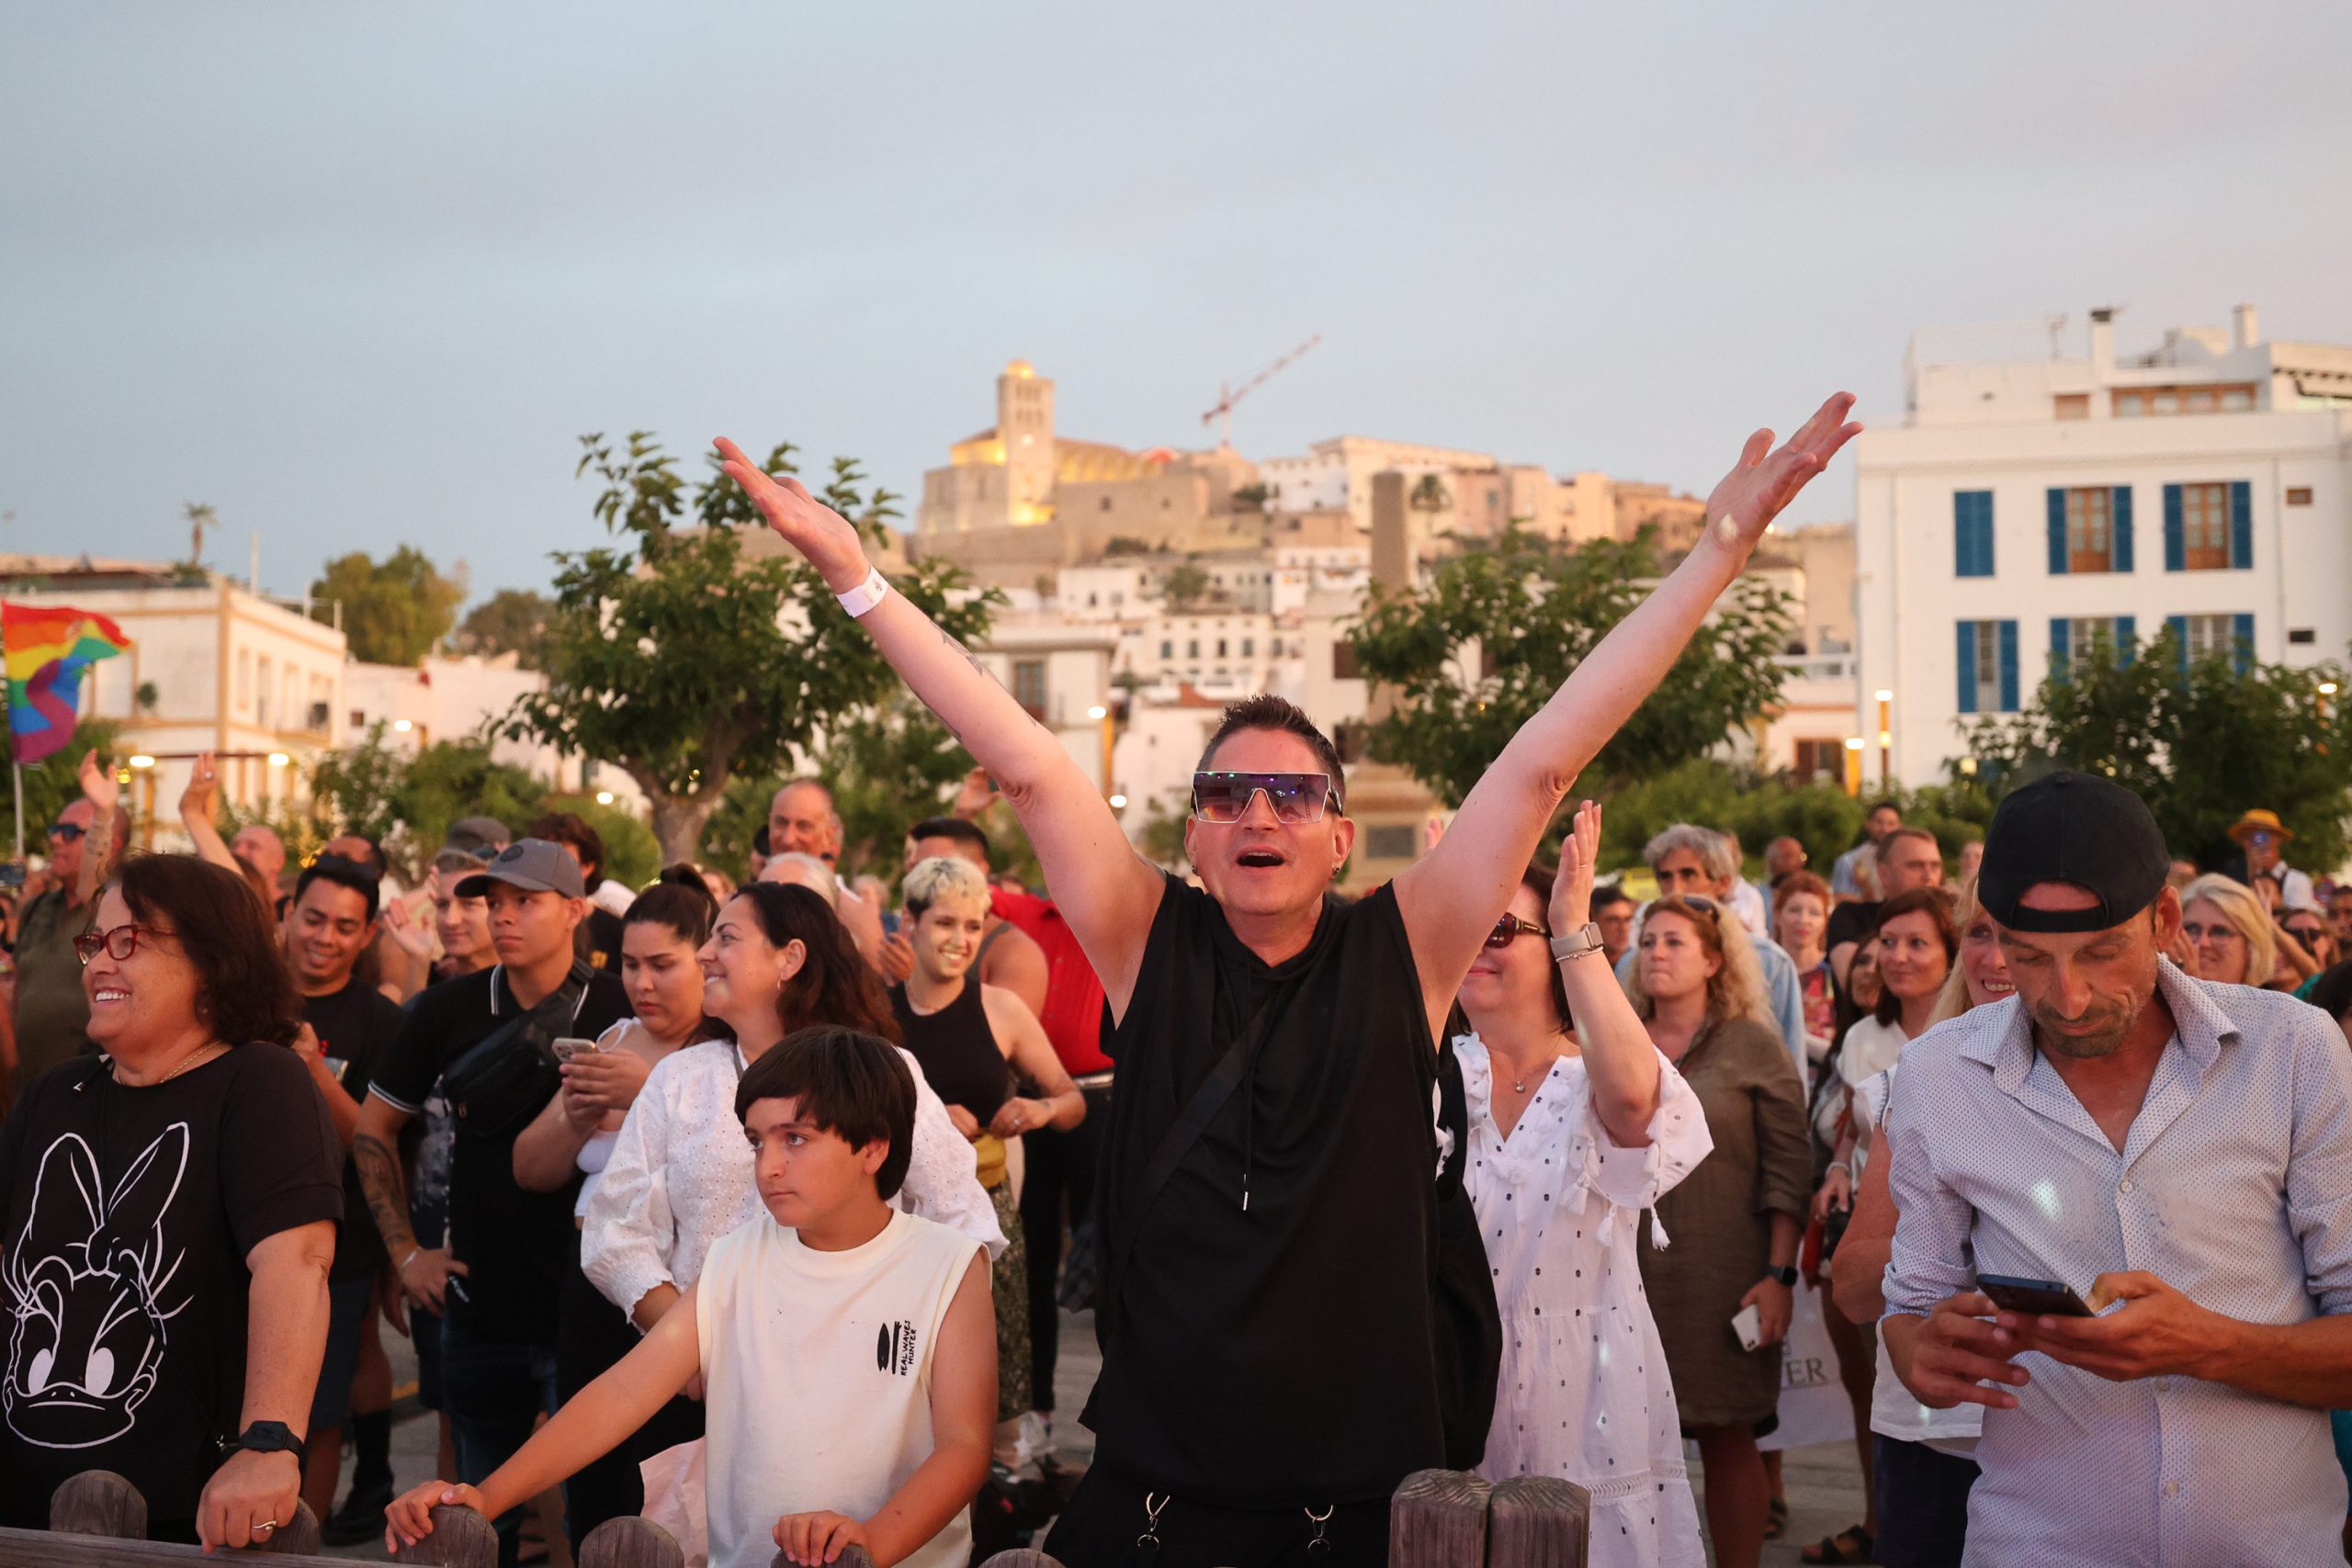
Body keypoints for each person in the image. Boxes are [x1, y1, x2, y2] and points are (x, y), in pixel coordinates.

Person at [714, 389, 1858, 1568]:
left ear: (1339, 838)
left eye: (1293, 795)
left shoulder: (1404, 950)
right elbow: (1029, 767)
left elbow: (1542, 763)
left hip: (1355, 1490)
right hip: (1159, 1484)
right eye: (1226, 794)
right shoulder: (1146, 938)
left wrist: (1716, 557)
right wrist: (855, 577)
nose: (1258, 813)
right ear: (1195, 836)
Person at [1883, 770, 2352, 1567]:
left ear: (2164, 918)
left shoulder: (2293, 1051)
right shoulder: (1938, 1074)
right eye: (2030, 957)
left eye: (2102, 953)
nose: (2069, 998)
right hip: (2035, 1545)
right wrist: (1920, 1353)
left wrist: (2206, 1344)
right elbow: (1911, 1306)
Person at [387, 1027, 994, 1568]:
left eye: (796, 1138)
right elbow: (625, 1391)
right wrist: (485, 1495)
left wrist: (867, 1545)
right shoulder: (737, 1258)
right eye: (757, 1141)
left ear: (873, 1147)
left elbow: (964, 1445)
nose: (769, 1166)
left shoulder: (947, 1265)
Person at [0, 854, 340, 1549]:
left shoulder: (258, 1080)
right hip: (21, 1497)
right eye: (95, 941)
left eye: (129, 940)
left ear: (213, 962)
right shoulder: (55, 1093)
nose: (99, 962)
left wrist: (269, 1442)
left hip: (182, 1514)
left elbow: (296, 1262)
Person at [580, 884, 1004, 1383]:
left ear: (790, 958)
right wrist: (690, 1347)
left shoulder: (880, 1072)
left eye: (726, 937)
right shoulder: (680, 1079)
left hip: (854, 1380)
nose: (704, 954)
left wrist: (900, 1350)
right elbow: (614, 1229)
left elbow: (963, 1222)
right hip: (703, 1386)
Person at [353, 840, 631, 1568]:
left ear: (575, 910)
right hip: (482, 1302)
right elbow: (374, 1127)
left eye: (525, 901)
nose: (502, 916)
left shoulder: (621, 1005)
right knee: (476, 1517)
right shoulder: (447, 1006)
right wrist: (405, 1253)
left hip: (592, 1304)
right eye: (494, 901)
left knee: (593, 1518)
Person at [1453, 801, 1711, 1567]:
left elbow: (1634, 1104)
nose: (1479, 944)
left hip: (1592, 1388)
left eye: (1503, 928)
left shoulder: (1591, 1076)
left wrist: (1573, 924)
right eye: (1469, 927)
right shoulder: (1436, 1078)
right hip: (1454, 1389)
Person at [508, 883, 716, 1549]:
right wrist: (576, 1115)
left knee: (668, 1486)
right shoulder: (615, 1037)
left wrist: (651, 1091)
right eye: (629, 964)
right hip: (592, 1288)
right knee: (593, 1482)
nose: (642, 983)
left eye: (663, 965)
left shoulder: (724, 1049)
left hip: (676, 1288)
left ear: (705, 961)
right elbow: (530, 1168)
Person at [925, 784, 1113, 1450]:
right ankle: (1038, 1410)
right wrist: (966, 812)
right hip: (1023, 1106)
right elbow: (950, 881)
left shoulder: (1125, 917)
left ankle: (1121, 1409)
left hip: (1103, 1099)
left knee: (1114, 1258)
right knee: (1028, 1258)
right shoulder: (1025, 912)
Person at [1625, 893, 1810, 1568]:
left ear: (1713, 960)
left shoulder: (1751, 1045)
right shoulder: (1614, 1036)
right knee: (1625, 1442)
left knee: (1729, 1435)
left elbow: (1789, 1169)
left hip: (1726, 1276)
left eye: (1675, 941)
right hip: (1622, 1275)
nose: (1657, 953)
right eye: (1648, 940)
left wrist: (1779, 1276)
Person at [1826, 878, 2006, 1568]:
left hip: (2079, 1431)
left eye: (2021, 936)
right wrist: (1970, 1240)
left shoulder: (2133, 1091)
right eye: (1981, 932)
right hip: (1935, 1430)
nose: (1998, 957)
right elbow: (1852, 1286)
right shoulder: (1915, 1080)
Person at [890, 854, 1084, 1469]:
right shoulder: (875, 1010)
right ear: (911, 922)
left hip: (984, 1213)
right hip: (895, 1218)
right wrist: (923, 1112)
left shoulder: (1000, 1008)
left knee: (993, 1382)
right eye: (945, 923)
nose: (961, 939)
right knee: (902, 1374)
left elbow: (1071, 1099)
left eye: (973, 926)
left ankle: (995, 1495)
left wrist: (1037, 1109)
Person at [1802, 886, 1955, 1566]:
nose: (1896, 956)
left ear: (1950, 952)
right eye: (1887, 942)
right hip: (1871, 1232)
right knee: (1872, 1382)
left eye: (1917, 942)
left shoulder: (1974, 1030)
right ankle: (1875, 1517)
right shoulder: (1865, 1036)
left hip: (1947, 1240)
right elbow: (1850, 1121)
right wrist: (1839, 1168)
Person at [280, 854, 410, 1537]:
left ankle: (300, 1541)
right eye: (314, 918)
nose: (324, 937)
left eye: (344, 926)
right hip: (232, 1235)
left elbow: (377, 1141)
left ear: (367, 936)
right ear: (288, 914)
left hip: (338, 1240)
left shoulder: (380, 1022)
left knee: (320, 1409)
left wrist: (311, 1067)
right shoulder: (242, 995)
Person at [1635, 824, 1810, 1080]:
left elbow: (1792, 1069)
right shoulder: (1638, 960)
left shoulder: (1770, 961)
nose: (1675, 890)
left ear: (1722, 883)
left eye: (1688, 875)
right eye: (1665, 877)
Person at [7, 753, 131, 1090]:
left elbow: (94, 884)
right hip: (31, 1088)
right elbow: (21, 989)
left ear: (110, 845)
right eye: (55, 830)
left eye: (69, 832)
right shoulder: (38, 908)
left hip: (91, 1087)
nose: (55, 839)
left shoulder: (114, 910)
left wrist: (102, 815)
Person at [1826, 826, 1945, 976]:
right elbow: (1857, 982)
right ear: (1884, 874)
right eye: (1915, 866)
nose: (1929, 876)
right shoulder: (1852, 918)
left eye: (1935, 866)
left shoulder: (1952, 923)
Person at [532, 812, 628, 971]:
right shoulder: (525, 925)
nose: (550, 868)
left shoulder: (618, 934)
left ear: (587, 867)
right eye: (542, 859)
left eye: (561, 859)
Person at [2175, 872, 2277, 989]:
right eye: (2191, 929)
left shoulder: (2275, 1001)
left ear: (2250, 947)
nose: (2202, 943)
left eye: (2220, 932)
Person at [1775, 871, 1836, 1068]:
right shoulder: (1763, 971)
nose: (1804, 920)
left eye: (1815, 913)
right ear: (1777, 915)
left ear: (1825, 921)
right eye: (1794, 910)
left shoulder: (1836, 973)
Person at [2228, 807, 2317, 911]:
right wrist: (2252, 873)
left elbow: (2297, 919)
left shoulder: (2296, 880)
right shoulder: (2233, 878)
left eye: (2261, 837)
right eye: (2247, 837)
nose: (2254, 843)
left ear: (2277, 839)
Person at [1831, 802, 1903, 902]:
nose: (1885, 829)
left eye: (1891, 824)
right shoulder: (1848, 861)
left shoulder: (1907, 861)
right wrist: (1866, 891)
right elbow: (1839, 898)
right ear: (1868, 824)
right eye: (1879, 822)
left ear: (1900, 827)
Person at [1591, 884, 1637, 970]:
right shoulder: (1580, 966)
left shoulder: (1640, 967)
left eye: (1627, 919)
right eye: (1613, 920)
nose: (1623, 928)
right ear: (1593, 922)